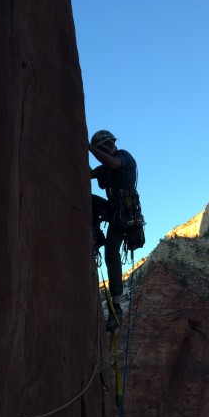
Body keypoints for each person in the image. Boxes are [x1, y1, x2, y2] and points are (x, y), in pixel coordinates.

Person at [89, 130, 137, 331]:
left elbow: (112, 164)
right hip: (114, 211)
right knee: (89, 200)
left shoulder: (123, 156)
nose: (100, 152)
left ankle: (116, 307)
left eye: (101, 149)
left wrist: (88, 148)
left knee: (111, 253)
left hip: (125, 215)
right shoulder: (106, 166)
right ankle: (96, 237)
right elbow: (90, 174)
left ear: (108, 145)